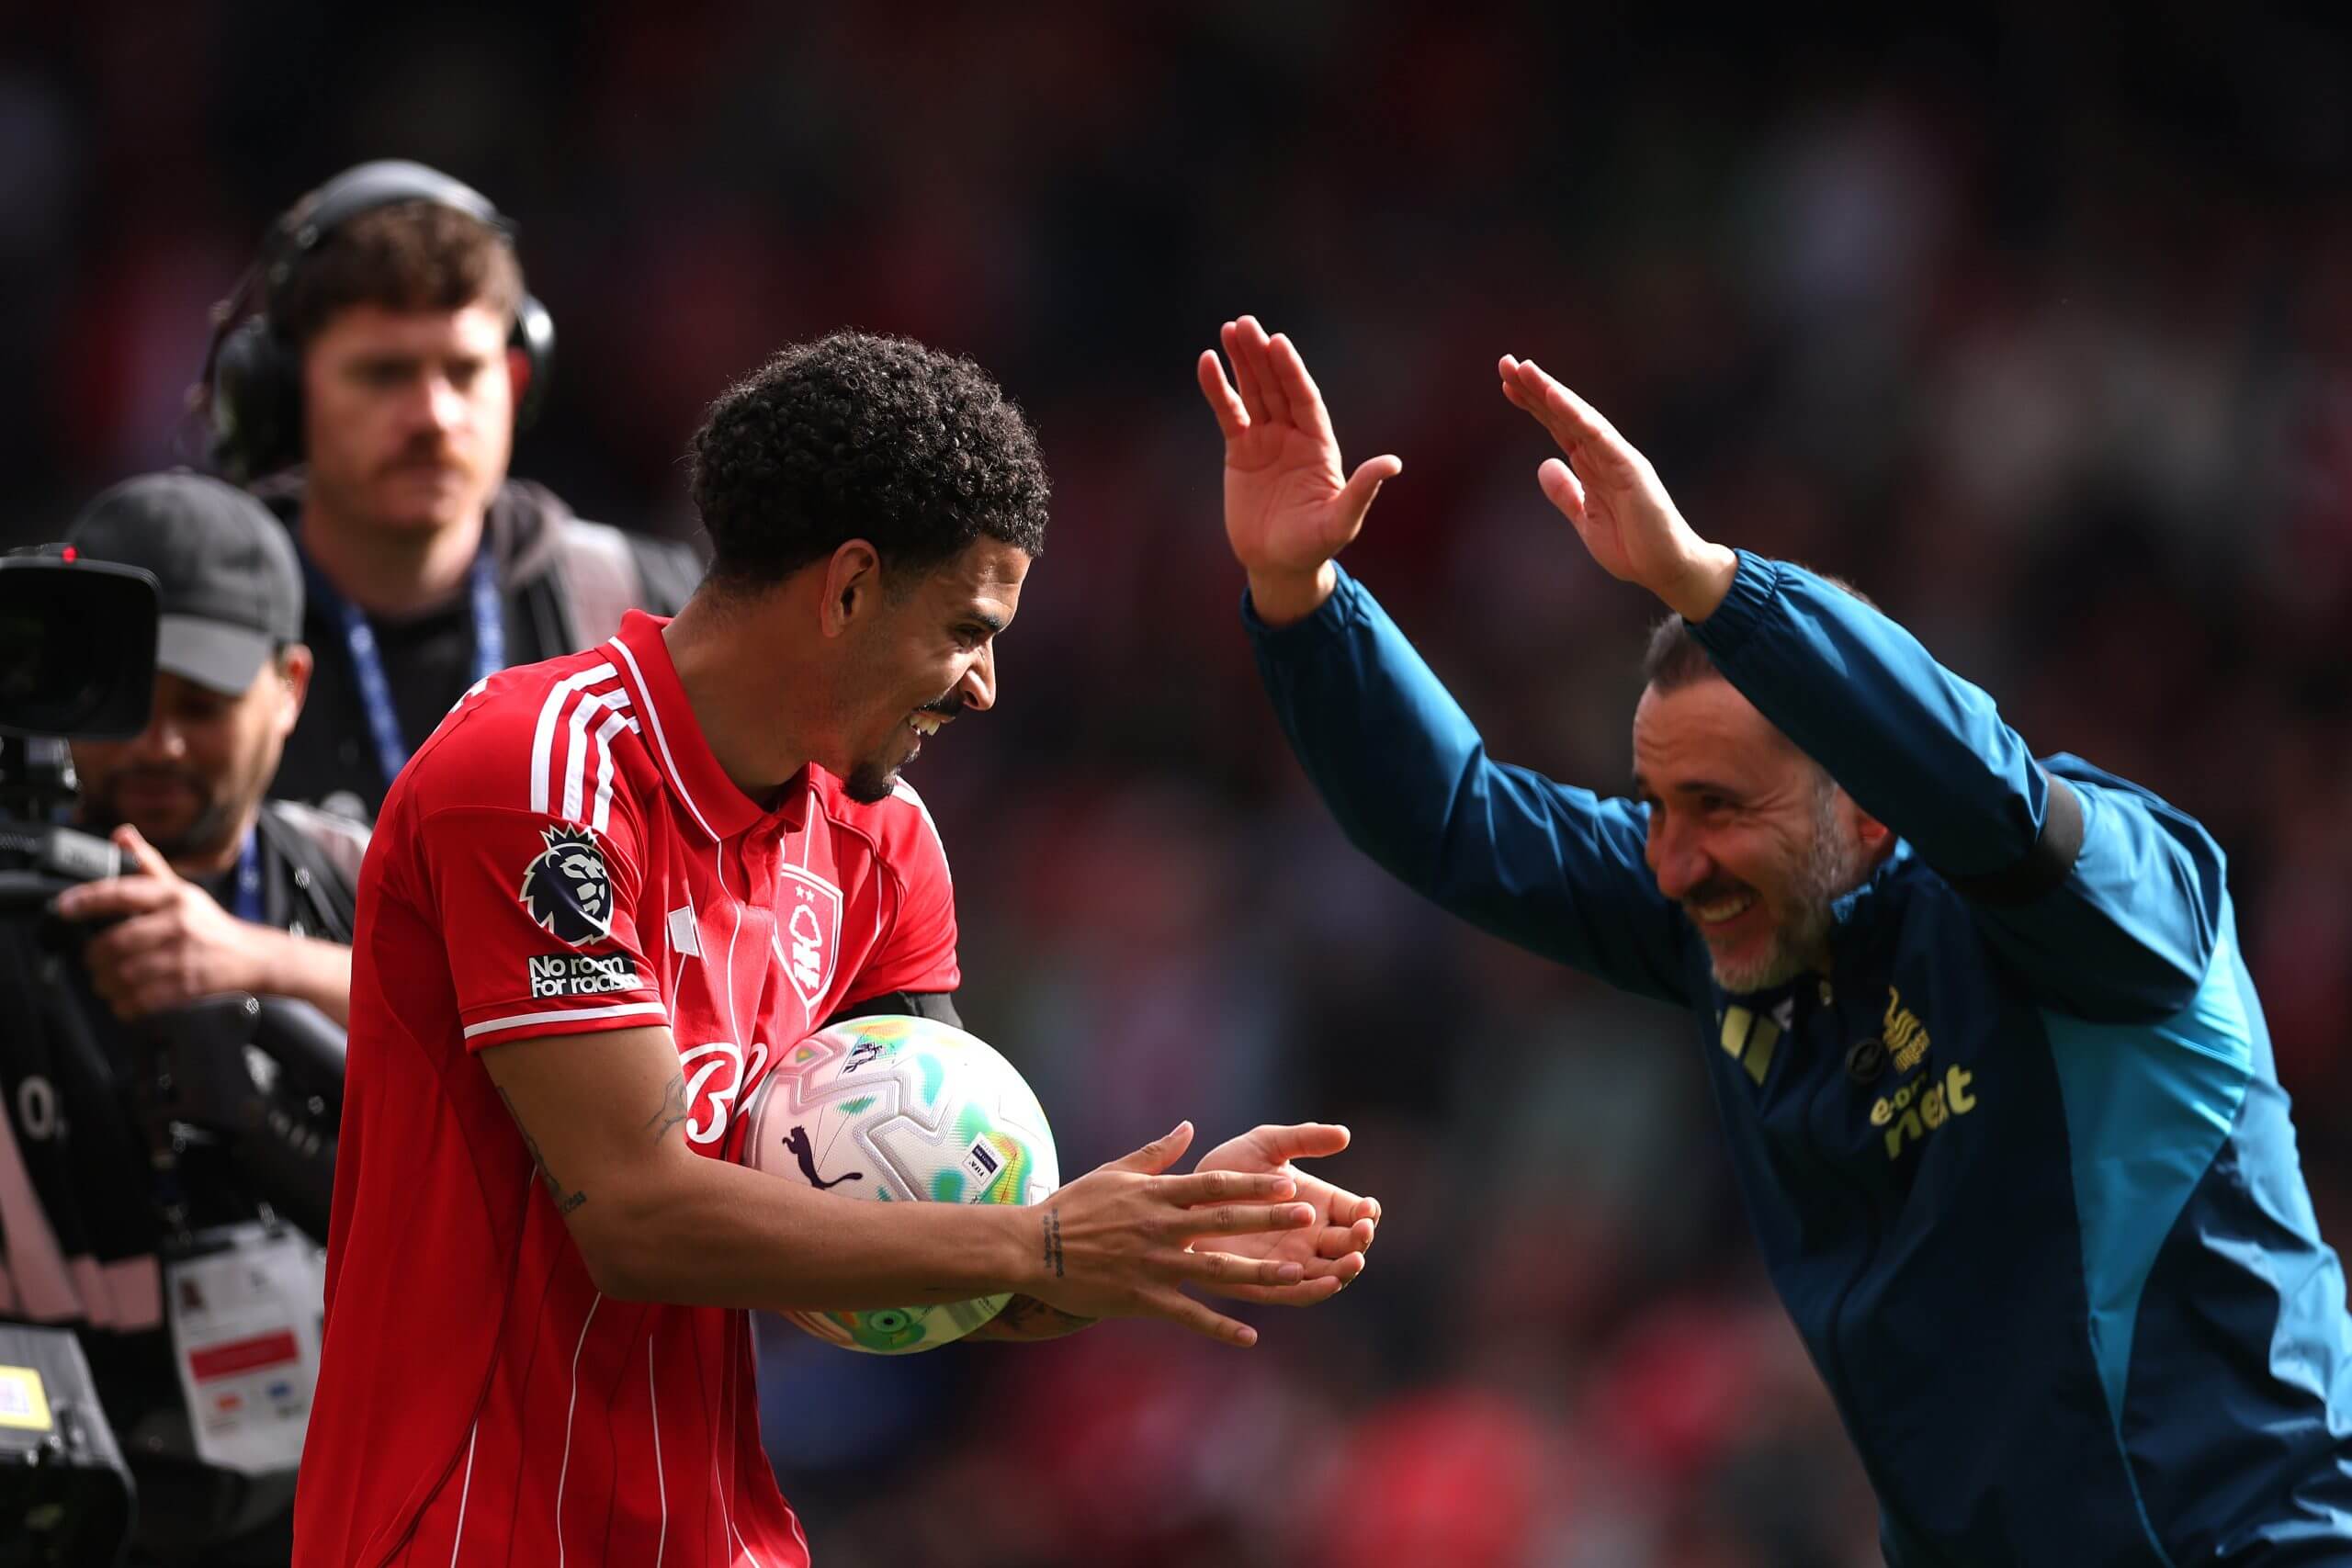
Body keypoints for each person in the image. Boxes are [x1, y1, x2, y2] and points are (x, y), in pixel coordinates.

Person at [1200, 315, 2352, 1563]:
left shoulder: (2123, 904)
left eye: (1717, 807)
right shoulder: (1743, 914)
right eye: (1654, 805)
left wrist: (1714, 584)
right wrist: (1300, 597)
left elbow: (1988, 797)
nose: (1670, 861)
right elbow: (1462, 820)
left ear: (1869, 803)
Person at [296, 330, 1380, 1566]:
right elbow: (636, 1215)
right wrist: (1042, 1240)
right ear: (851, 585)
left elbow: (934, 1263)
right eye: (968, 627)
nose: (983, 687)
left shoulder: (884, 843)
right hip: (466, 1531)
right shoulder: (543, 773)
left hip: (720, 1537)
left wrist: (1157, 1231)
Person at [0, 471, 366, 1564]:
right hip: (60, 1504)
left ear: (290, 688)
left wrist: (255, 963)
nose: (157, 745)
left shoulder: (359, 871)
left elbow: (517, 1027)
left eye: (200, 706)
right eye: (126, 701)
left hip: (326, 1490)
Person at [198, 160, 705, 825]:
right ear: (290, 397)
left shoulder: (646, 609)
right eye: (384, 374)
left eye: (464, 372)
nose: (433, 416)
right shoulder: (203, 619)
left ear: (516, 384)